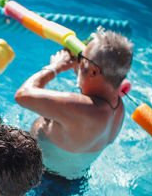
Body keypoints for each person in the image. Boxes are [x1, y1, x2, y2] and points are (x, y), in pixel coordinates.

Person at [15, 29, 133, 181]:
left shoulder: (81, 108)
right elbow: (95, 82)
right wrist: (83, 67)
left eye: (82, 60)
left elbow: (23, 95)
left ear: (94, 72)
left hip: (42, 179)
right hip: (75, 178)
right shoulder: (117, 107)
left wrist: (56, 67)